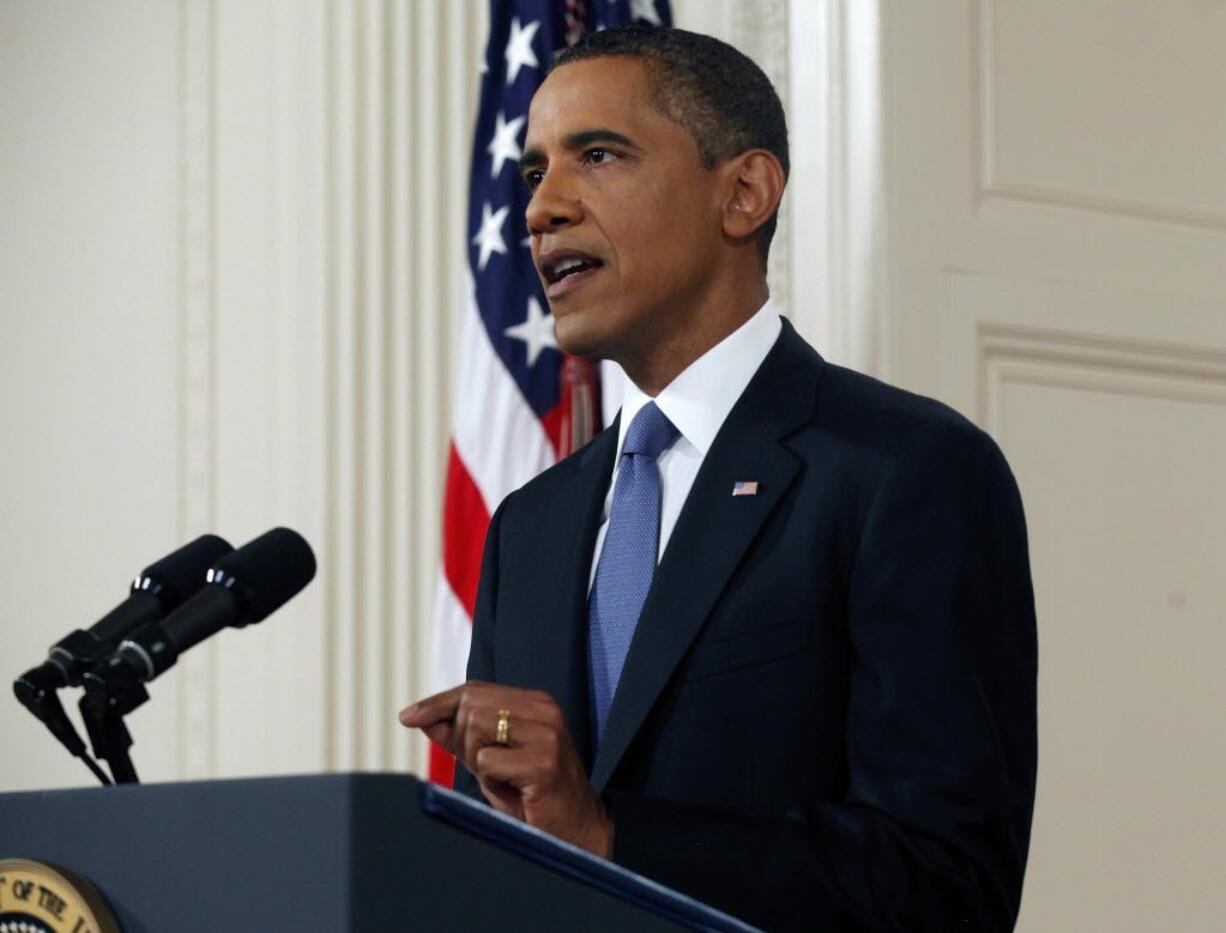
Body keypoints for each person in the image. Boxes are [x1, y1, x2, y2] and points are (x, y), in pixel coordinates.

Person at [400, 25, 1037, 932]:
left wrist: (614, 833)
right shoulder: (528, 527)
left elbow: (945, 886)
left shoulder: (906, 470)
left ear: (743, 193)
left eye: (599, 154)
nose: (542, 208)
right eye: (535, 170)